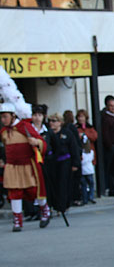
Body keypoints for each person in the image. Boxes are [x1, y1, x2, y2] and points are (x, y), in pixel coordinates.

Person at [0, 70, 51, 231]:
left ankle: (45, 210)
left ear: (13, 115)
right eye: (1, 117)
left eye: (5, 116)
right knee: (14, 193)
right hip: (12, 167)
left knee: (34, 191)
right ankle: (17, 221)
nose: (2, 120)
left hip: (28, 166)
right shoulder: (3, 132)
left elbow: (43, 143)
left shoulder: (25, 127)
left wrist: (35, 141)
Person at [47, 113, 81, 215]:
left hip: (65, 162)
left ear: (60, 122)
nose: (51, 123)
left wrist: (76, 163)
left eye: (54, 121)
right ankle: (54, 205)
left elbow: (73, 148)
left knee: (63, 184)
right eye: (50, 121)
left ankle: (62, 206)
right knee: (54, 184)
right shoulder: (48, 134)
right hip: (53, 162)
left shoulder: (67, 133)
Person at [79, 134, 95, 205]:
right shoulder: (91, 152)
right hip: (89, 170)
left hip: (83, 170)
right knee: (90, 184)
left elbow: (82, 161)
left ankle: (85, 198)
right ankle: (91, 196)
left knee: (84, 185)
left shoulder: (82, 153)